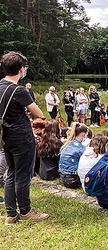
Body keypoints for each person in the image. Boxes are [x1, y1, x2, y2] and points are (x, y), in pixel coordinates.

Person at [0, 51, 49, 225]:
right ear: (21, 69)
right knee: (23, 176)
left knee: (11, 173)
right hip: (21, 136)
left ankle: (11, 214)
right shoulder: (19, 90)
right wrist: (26, 111)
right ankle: (26, 212)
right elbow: (39, 113)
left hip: (5, 137)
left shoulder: (0, 86)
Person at [59, 122, 88, 188]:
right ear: (83, 134)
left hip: (62, 176)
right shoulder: (81, 149)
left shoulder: (66, 145)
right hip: (73, 178)